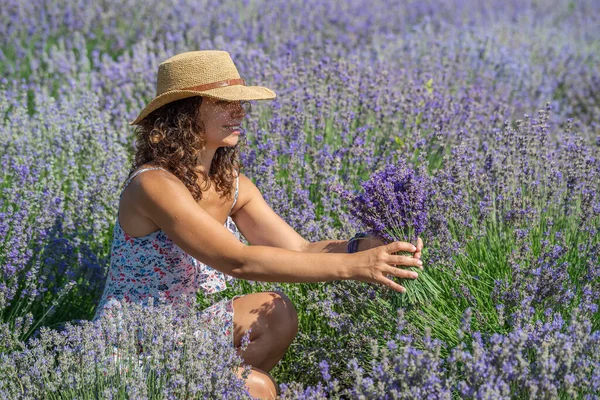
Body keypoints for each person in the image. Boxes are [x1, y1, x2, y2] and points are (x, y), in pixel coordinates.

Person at [94, 50, 424, 399]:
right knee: (254, 387)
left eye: (240, 102)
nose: (239, 111)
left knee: (276, 313)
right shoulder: (153, 185)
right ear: (183, 114)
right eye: (223, 102)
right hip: (134, 344)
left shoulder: (231, 184)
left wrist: (367, 246)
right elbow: (237, 260)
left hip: (182, 331)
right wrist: (355, 267)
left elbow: (299, 248)